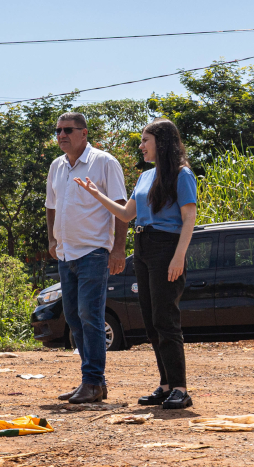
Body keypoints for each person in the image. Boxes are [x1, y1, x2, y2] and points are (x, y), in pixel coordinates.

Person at [75, 118, 197, 409]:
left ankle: (180, 388)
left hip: (167, 246)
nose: (141, 146)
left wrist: (179, 256)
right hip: (142, 247)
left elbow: (189, 218)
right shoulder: (145, 177)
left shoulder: (182, 175)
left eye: (146, 140)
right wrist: (96, 194)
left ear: (162, 142)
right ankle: (165, 386)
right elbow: (127, 214)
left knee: (166, 320)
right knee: (151, 321)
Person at [45, 112, 129, 404]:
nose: (61, 135)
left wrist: (118, 249)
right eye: (58, 131)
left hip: (93, 251)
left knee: (89, 316)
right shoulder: (57, 166)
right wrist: (52, 240)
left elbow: (121, 207)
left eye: (68, 130)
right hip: (66, 253)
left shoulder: (104, 162)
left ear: (84, 132)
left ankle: (93, 382)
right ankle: (91, 381)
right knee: (73, 318)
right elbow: (51, 206)